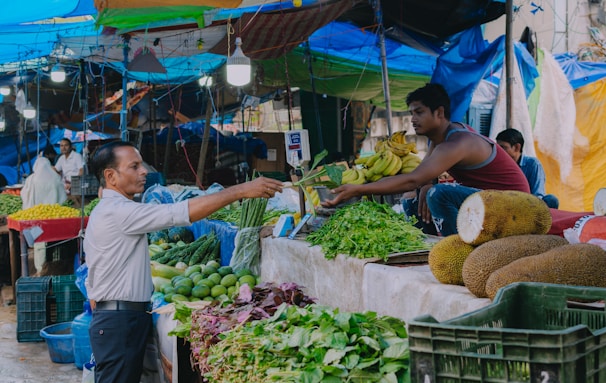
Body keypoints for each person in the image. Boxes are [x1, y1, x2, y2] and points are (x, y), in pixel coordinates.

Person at [83, 141, 283, 383]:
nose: (144, 171)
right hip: (119, 321)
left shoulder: (114, 208)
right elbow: (177, 213)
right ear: (110, 176)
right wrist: (240, 191)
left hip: (121, 318)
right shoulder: (117, 211)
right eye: (134, 166)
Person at [323, 83, 530, 236]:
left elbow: (413, 178)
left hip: (515, 205)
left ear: (439, 112)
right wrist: (426, 184)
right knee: (412, 197)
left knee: (438, 194)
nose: (413, 119)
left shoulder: (458, 142)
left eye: (419, 112)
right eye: (411, 113)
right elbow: (420, 177)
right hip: (490, 199)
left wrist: (358, 189)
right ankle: (429, 247)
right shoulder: (439, 140)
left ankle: (456, 250)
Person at [496, 128, 559, 209]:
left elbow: (537, 195)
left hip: (528, 206)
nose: (499, 151)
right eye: (497, 147)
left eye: (503, 147)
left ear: (516, 147)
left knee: (551, 200)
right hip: (506, 205)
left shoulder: (533, 164)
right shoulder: (499, 164)